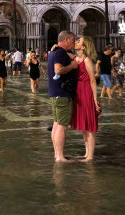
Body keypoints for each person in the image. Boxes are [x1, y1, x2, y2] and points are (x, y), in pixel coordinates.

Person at [48, 31, 79, 163]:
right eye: (73, 40)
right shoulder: (60, 52)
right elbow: (58, 70)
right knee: (61, 126)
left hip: (54, 93)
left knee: (56, 124)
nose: (74, 42)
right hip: (62, 93)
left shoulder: (54, 52)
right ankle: (60, 157)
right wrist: (72, 66)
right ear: (66, 39)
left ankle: (57, 154)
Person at [69, 36, 100, 160]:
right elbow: (68, 55)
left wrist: (95, 100)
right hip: (79, 91)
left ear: (83, 47)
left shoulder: (87, 60)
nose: (75, 42)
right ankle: (87, 152)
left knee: (89, 125)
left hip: (87, 91)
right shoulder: (76, 58)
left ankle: (90, 155)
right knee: (84, 125)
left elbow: (93, 80)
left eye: (78, 41)